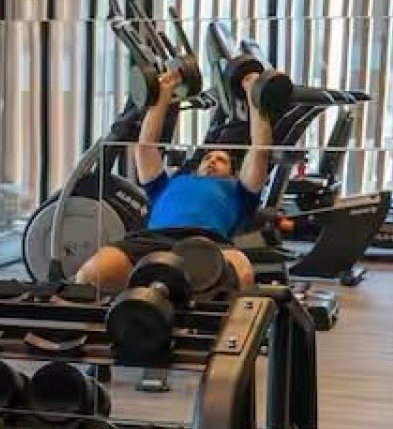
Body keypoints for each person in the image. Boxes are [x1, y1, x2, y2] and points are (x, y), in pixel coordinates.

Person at [75, 67, 270, 293]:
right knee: (91, 275)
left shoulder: (239, 191)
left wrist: (254, 96)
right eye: (207, 158)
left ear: (233, 174)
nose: (212, 161)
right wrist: (163, 96)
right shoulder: (168, 184)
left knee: (242, 273)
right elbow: (145, 147)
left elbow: (260, 151)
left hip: (208, 243)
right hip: (151, 240)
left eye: (221, 160)